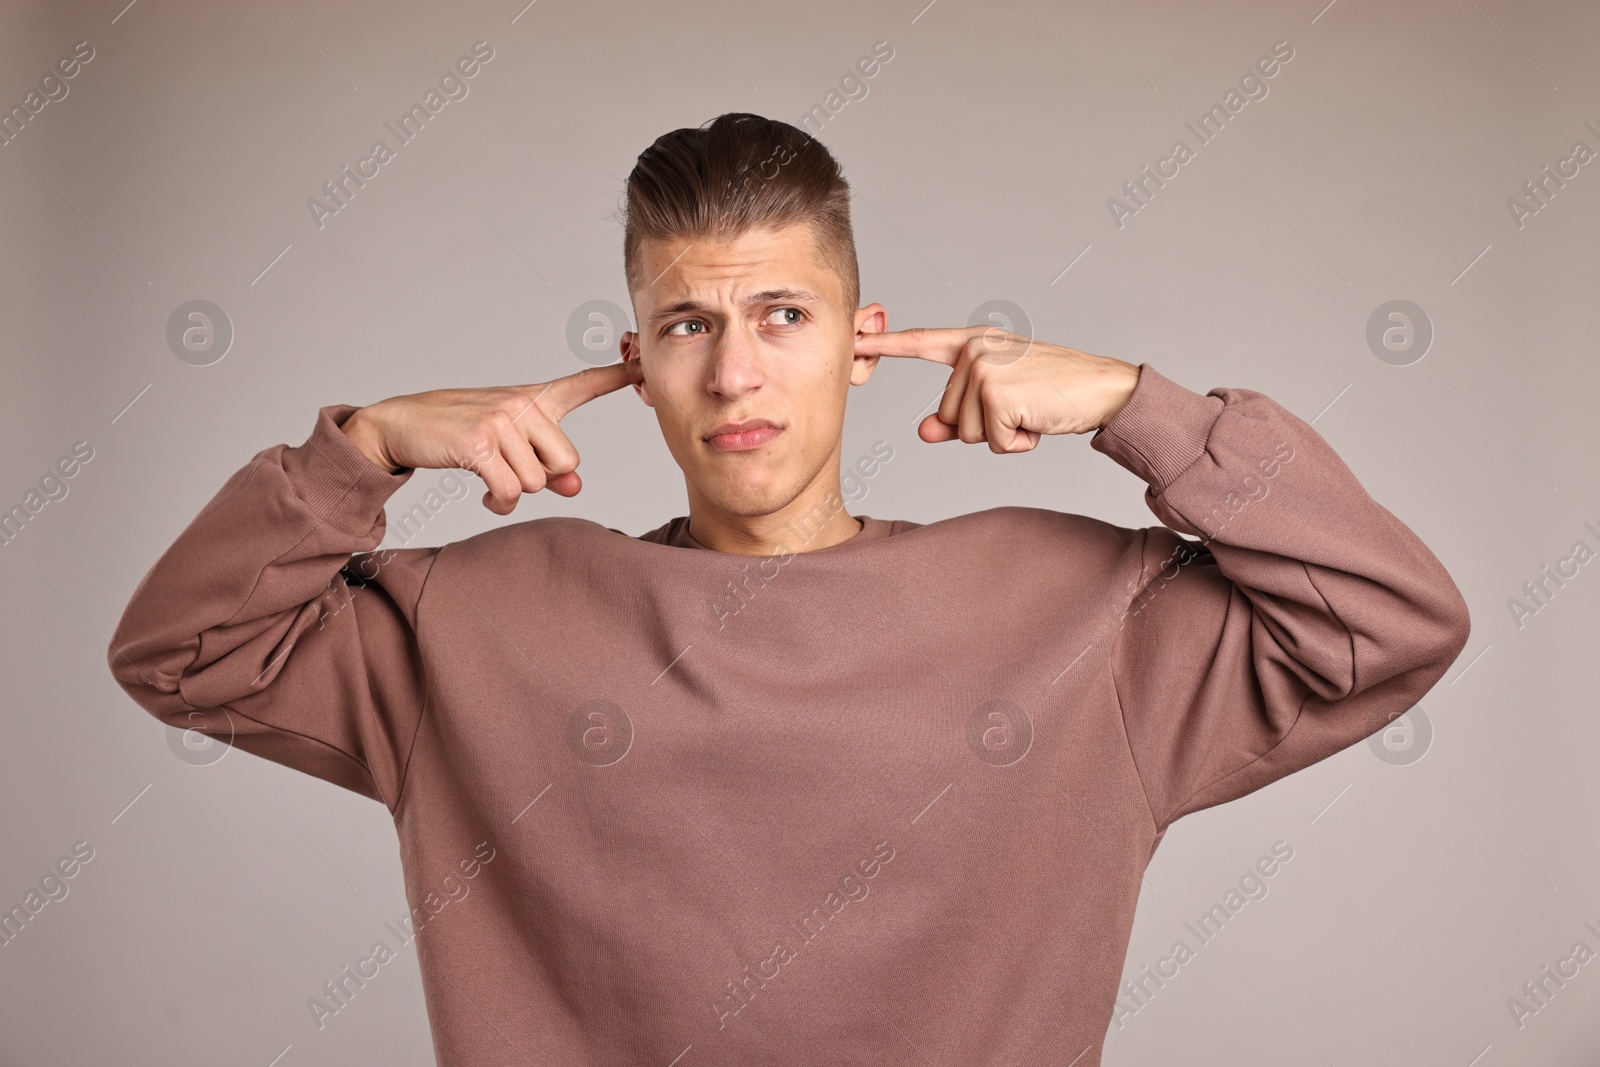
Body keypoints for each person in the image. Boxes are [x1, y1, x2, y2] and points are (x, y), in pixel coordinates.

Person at [107, 112, 1471, 1066]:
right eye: (690, 325)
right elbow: (185, 650)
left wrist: (1138, 406)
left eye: (785, 317)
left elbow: (1389, 624)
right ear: (635, 359)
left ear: (861, 342)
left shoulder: (1076, 618)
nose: (738, 375)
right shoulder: (475, 622)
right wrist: (366, 446)